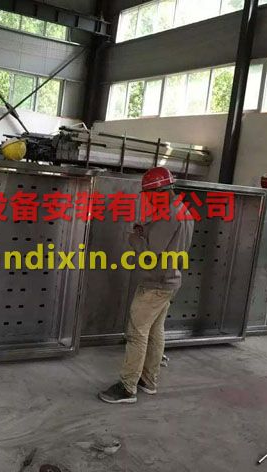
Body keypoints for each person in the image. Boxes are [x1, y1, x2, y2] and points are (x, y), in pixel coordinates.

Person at [98, 167, 194, 404]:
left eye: (149, 195)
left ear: (160, 191)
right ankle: (148, 381)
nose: (148, 199)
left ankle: (127, 387)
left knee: (136, 334)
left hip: (155, 283)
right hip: (170, 280)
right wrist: (147, 231)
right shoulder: (183, 211)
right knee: (154, 332)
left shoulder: (168, 215)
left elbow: (150, 253)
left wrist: (135, 238)